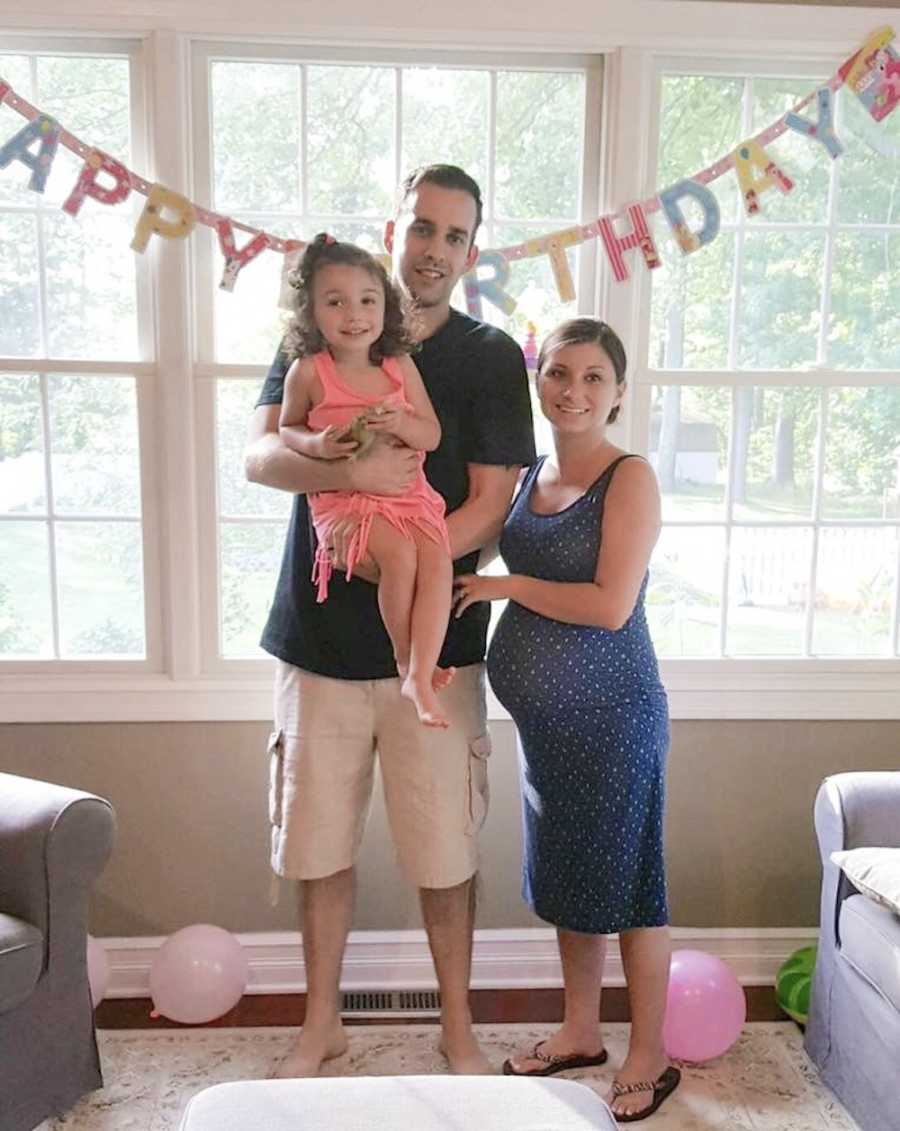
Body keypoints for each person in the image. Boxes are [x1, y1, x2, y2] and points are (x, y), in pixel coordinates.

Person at [244, 164, 536, 1077]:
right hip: (319, 640)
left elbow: (493, 499)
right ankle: (321, 1024)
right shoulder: (320, 334)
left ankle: (457, 1029)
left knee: (443, 849)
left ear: (472, 252)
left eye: (454, 236)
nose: (434, 250)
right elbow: (259, 454)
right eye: (422, 228)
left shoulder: (487, 357)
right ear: (392, 230)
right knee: (319, 846)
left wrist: (403, 562)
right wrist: (350, 483)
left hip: (437, 643)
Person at [453, 318, 680, 1121]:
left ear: (618, 392)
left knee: (631, 888)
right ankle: (581, 1029)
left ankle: (650, 1055)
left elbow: (612, 605)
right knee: (571, 880)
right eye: (558, 373)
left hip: (616, 719)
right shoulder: (529, 473)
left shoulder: (630, 478)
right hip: (550, 732)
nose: (572, 390)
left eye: (593, 377)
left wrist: (509, 590)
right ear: (537, 378)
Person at [279, 234, 454, 728]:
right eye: (335, 303)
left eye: (367, 301)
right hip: (346, 500)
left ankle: (422, 669)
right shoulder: (309, 372)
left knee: (437, 562)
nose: (353, 314)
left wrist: (401, 424)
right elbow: (287, 428)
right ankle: (406, 663)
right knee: (399, 557)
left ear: (386, 307)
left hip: (408, 495)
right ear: (312, 313)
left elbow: (432, 434)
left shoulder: (399, 367)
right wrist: (317, 446)